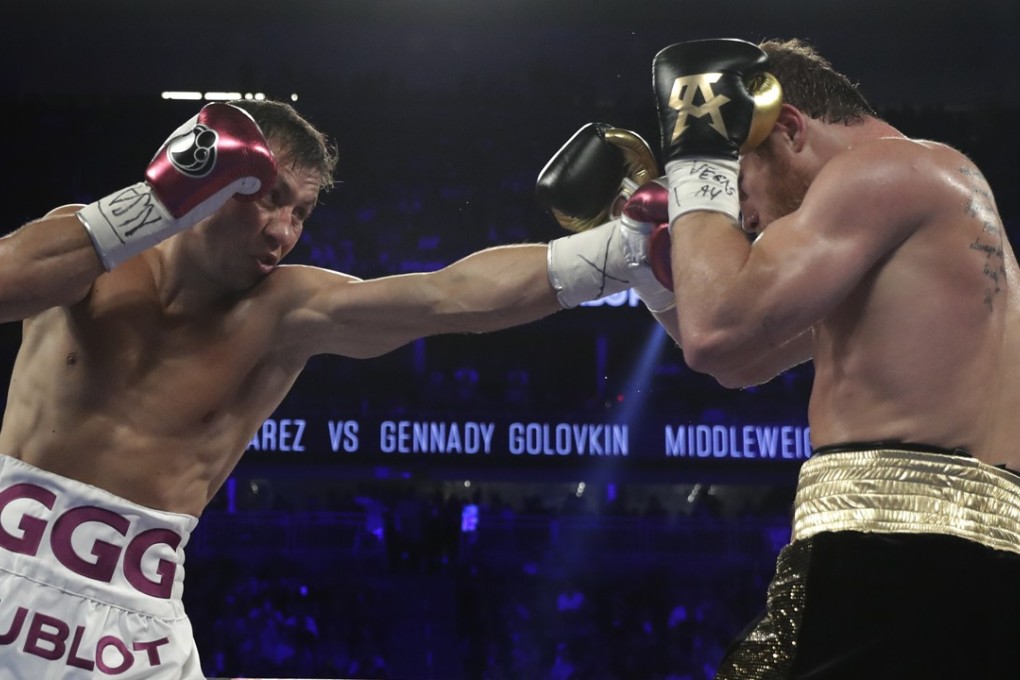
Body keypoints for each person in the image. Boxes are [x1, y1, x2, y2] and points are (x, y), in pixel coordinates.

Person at [0, 99, 670, 678]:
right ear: (207, 178)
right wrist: (154, 203)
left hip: (129, 619)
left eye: (301, 213)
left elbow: (446, 297)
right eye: (269, 199)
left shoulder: (283, 312)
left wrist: (615, 254)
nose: (283, 232)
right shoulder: (89, 247)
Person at [641, 37, 1020, 678]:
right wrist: (655, 274)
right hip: (978, 567)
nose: (749, 217)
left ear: (785, 125)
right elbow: (738, 363)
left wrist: (693, 157)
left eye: (739, 186)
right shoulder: (936, 207)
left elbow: (717, 331)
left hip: (892, 556)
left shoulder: (882, 171)